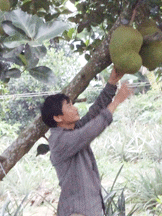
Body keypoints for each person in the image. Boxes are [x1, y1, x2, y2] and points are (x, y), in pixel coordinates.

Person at [40, 67, 133, 216]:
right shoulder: (59, 141)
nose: (75, 108)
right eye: (69, 106)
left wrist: (112, 82)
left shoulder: (71, 130)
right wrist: (116, 102)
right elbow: (89, 131)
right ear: (58, 118)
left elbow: (94, 113)